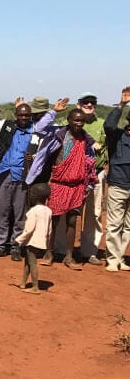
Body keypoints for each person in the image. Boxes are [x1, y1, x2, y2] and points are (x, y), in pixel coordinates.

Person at [0, 98, 62, 259]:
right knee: (3, 211)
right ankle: (0, 245)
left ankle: (16, 246)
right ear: (16, 115)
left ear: (31, 117)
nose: (24, 118)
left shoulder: (35, 131)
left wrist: (54, 111)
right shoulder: (8, 128)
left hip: (23, 176)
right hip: (4, 173)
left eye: (27, 116)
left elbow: (47, 124)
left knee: (20, 213)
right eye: (21, 115)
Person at [27, 107, 96, 269]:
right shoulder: (58, 136)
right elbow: (38, 129)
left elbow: (90, 163)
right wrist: (53, 111)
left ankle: (69, 256)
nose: (79, 123)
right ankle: (49, 253)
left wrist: (90, 184)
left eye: (81, 121)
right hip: (58, 183)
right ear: (69, 121)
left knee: (72, 220)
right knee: (54, 220)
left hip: (78, 186)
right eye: (76, 120)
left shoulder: (86, 141)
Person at [73, 92, 107, 265]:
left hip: (96, 173)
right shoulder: (69, 121)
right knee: (68, 210)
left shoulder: (102, 124)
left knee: (93, 213)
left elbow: (108, 147)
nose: (89, 105)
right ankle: (62, 249)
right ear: (79, 104)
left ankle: (89, 251)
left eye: (92, 102)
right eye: (85, 102)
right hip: (73, 174)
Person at [103, 86, 130, 271]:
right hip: (118, 185)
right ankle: (112, 259)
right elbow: (109, 125)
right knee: (114, 224)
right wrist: (122, 103)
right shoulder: (117, 136)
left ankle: (121, 257)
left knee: (128, 227)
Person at [14, 183, 52, 294]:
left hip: (32, 242)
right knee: (28, 262)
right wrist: (48, 245)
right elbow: (50, 230)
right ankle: (23, 283)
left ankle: (35, 286)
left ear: (34, 196)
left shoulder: (33, 211)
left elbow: (28, 230)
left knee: (32, 263)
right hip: (42, 242)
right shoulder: (48, 211)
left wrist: (18, 240)